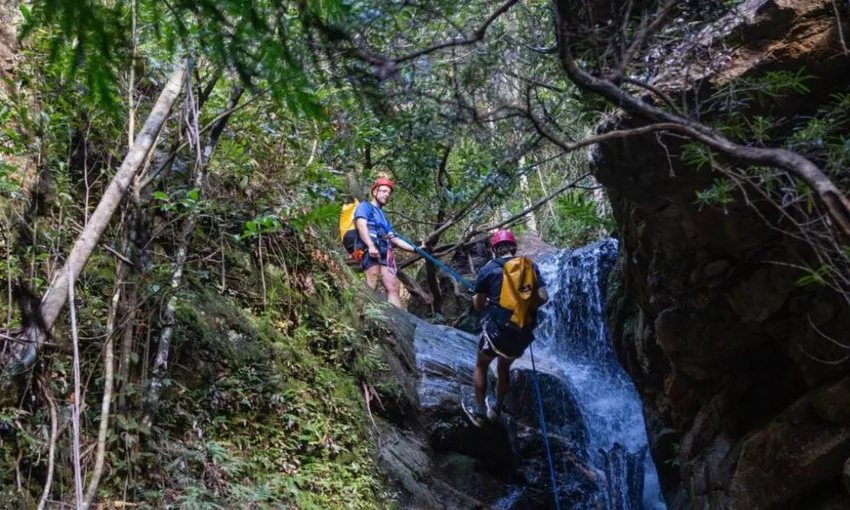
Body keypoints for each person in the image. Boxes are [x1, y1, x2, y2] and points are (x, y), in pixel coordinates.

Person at [463, 230, 549, 427]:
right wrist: (522, 307)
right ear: (513, 247)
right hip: (520, 331)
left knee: (481, 365)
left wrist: (477, 297)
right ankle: (497, 409)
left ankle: (480, 413)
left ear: (494, 249)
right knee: (504, 368)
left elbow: (478, 305)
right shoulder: (530, 266)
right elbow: (543, 298)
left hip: (497, 332)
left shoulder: (488, 269)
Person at [354, 177, 417, 307]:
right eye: (383, 191)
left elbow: (395, 239)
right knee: (371, 281)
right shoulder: (365, 206)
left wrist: (416, 249)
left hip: (385, 252)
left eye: (388, 193)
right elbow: (361, 225)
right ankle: (359, 317)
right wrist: (370, 246)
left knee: (393, 287)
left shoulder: (384, 217)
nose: (386, 195)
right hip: (370, 249)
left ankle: (399, 323)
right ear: (375, 192)